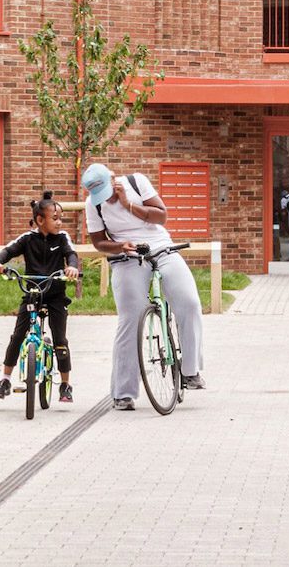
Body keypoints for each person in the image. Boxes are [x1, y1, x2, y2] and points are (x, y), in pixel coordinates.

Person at [80, 162, 204, 410]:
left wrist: (128, 204)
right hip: (126, 258)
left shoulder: (137, 182)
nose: (106, 198)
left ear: (114, 179)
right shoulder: (93, 204)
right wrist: (118, 246)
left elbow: (162, 216)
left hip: (162, 249)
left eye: (108, 191)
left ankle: (190, 371)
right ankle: (123, 392)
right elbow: (99, 242)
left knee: (189, 303)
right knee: (130, 317)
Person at [0, 192, 80, 403]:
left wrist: (72, 267)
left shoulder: (62, 237)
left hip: (56, 296)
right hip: (32, 294)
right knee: (18, 336)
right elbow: (8, 251)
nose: (59, 222)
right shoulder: (27, 239)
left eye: (60, 218)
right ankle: (5, 380)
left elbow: (71, 254)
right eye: (54, 218)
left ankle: (65, 385)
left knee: (60, 340)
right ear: (40, 220)